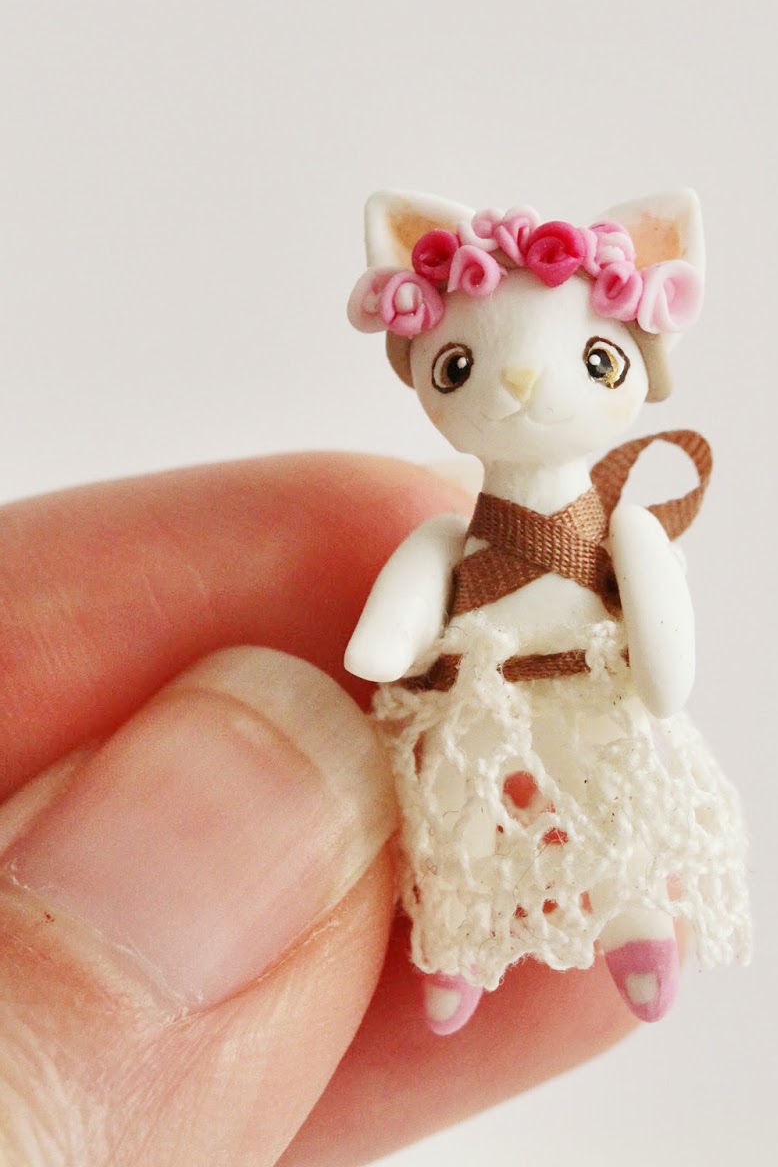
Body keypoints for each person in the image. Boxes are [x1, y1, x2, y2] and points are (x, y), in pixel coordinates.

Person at [0, 454, 634, 1166]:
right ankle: (457, 953)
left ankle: (638, 924)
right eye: (461, 382)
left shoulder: (616, 534)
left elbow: (655, 610)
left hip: (587, 691)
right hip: (479, 693)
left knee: (614, 806)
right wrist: (389, 644)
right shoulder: (447, 539)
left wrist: (656, 661)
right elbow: (406, 603)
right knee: (460, 820)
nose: (518, 396)